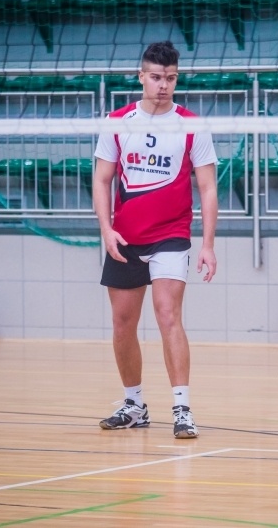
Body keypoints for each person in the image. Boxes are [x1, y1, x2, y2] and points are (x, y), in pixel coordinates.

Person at [92, 41, 218, 439]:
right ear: (141, 76)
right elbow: (101, 179)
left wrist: (208, 244)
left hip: (171, 235)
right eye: (157, 77)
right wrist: (106, 228)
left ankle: (182, 407)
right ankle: (134, 405)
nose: (164, 85)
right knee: (122, 324)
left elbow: (208, 189)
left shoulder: (192, 125)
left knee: (168, 316)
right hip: (125, 237)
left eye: (171, 78)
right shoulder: (117, 121)